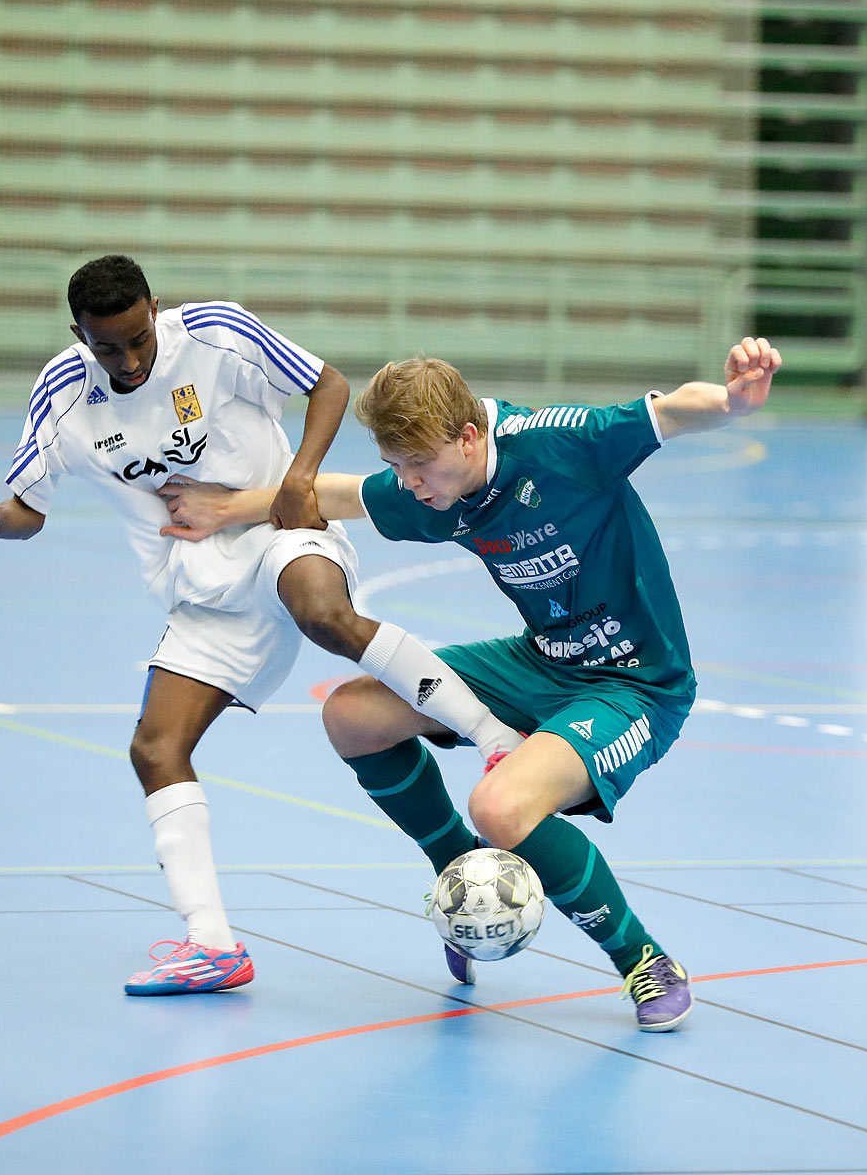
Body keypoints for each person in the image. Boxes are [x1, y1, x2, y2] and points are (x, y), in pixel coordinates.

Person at [158, 336, 781, 1030]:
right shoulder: (428, 485)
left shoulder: (559, 444)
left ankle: (644, 959)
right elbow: (335, 494)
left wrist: (731, 400)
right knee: (352, 717)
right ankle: (458, 873)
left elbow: (670, 412)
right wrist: (226, 508)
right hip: (539, 660)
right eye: (397, 467)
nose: (411, 483)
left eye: (419, 465)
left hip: (634, 683)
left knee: (502, 808)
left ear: (468, 435)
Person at [0, 255, 523, 996]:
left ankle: (492, 737)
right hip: (201, 592)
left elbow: (330, 384)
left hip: (280, 536)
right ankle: (212, 945)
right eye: (106, 347)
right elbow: (29, 509)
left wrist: (299, 477)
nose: (125, 360)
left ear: (154, 311)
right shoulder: (63, 393)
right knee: (156, 748)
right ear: (78, 334)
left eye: (136, 340)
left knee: (322, 611)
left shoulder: (216, 333)